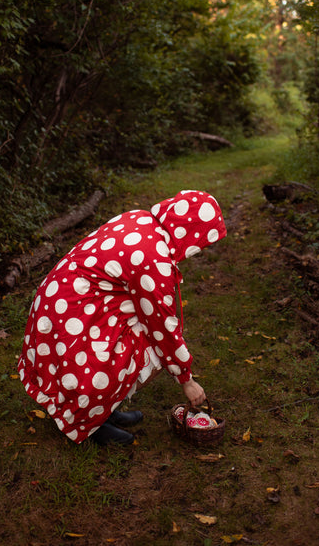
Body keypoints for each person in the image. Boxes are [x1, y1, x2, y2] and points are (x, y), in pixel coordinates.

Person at [18, 190, 227, 445]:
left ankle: (103, 410)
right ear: (191, 232)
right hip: (71, 313)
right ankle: (90, 421)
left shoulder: (141, 218)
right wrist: (187, 380)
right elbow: (163, 329)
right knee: (151, 346)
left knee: (142, 330)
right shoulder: (154, 259)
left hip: (60, 301)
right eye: (203, 240)